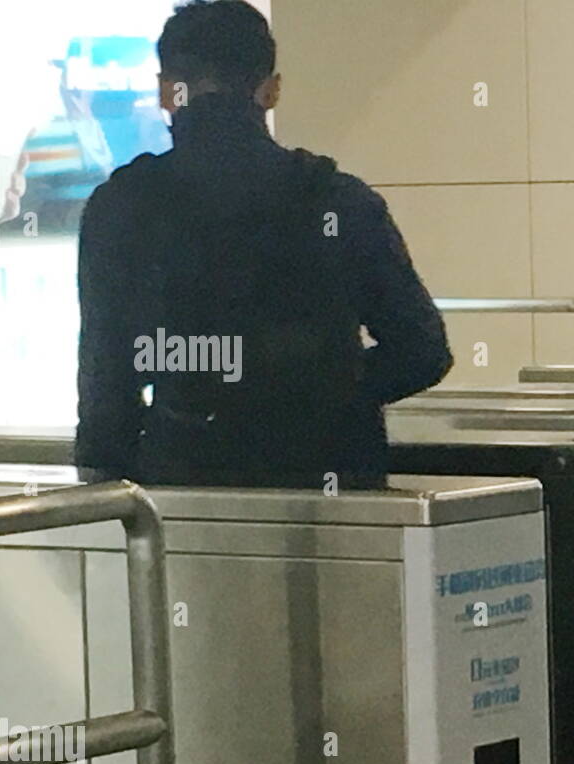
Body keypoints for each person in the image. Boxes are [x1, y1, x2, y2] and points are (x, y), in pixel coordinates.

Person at [74, 0, 452, 487]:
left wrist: (105, 492)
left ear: (167, 91)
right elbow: (423, 350)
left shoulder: (122, 205)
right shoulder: (337, 199)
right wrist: (325, 388)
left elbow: (106, 377)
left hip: (184, 481)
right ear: (270, 90)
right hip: (331, 480)